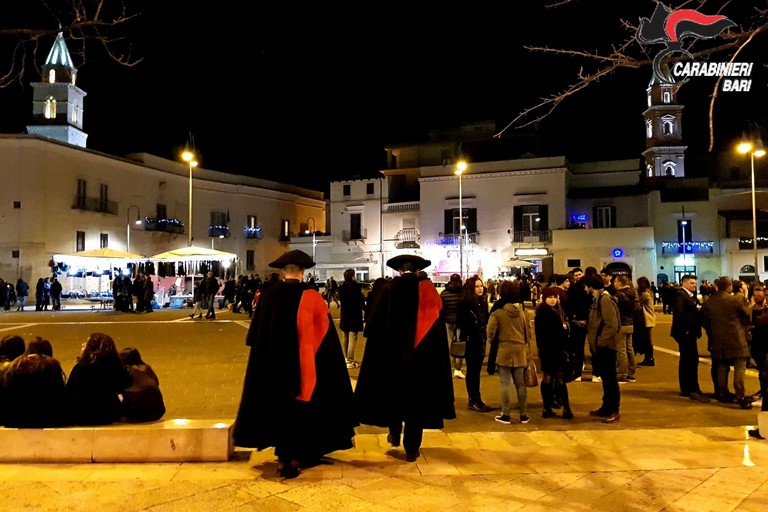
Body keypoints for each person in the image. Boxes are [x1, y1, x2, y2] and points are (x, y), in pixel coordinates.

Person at [233, 250, 357, 479]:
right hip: (304, 364)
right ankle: (297, 454)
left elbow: (255, 336)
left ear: (282, 272)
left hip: (274, 367)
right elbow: (326, 338)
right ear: (302, 272)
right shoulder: (312, 297)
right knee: (302, 410)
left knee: (279, 409)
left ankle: (283, 457)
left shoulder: (269, 295)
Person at [354, 254, 455, 462]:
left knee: (394, 397)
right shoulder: (428, 292)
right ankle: (412, 449)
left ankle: (394, 432)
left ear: (399, 270)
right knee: (416, 404)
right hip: (421, 360)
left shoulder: (388, 290)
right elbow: (437, 329)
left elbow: (372, 327)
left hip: (391, 357)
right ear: (417, 271)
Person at [487, 280, 533, 424]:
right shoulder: (523, 313)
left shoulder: (498, 313)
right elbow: (528, 334)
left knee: (505, 383)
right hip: (520, 351)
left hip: (504, 350)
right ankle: (523, 414)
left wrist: (493, 341)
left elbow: (490, 332)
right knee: (520, 384)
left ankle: (506, 414)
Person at [702, 276, 752, 409]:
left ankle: (723, 392)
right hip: (736, 338)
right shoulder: (735, 299)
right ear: (729, 286)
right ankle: (740, 395)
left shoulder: (708, 302)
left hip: (718, 339)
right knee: (739, 367)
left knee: (722, 367)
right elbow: (747, 315)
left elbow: (705, 322)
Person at [65, 332, 133, 426]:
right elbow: (127, 383)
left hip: (83, 414)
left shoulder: (81, 368)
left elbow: (69, 392)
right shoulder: (115, 367)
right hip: (109, 414)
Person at [3, 337, 68, 428]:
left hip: (17, 419)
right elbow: (59, 394)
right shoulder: (51, 364)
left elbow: (7, 393)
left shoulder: (15, 365)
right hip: (48, 419)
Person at [585, 275, 621, 423]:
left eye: (585, 286)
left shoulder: (605, 299)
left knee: (610, 379)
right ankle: (606, 407)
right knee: (606, 379)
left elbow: (611, 324)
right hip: (601, 346)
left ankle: (613, 409)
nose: (585, 289)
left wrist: (601, 341)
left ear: (590, 286)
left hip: (606, 346)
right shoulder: (599, 299)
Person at [534, 286, 574, 420]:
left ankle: (547, 407)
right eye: (549, 297)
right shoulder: (549, 313)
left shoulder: (542, 312)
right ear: (544, 299)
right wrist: (564, 328)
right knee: (559, 378)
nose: (553, 300)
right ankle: (566, 408)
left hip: (546, 350)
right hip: (555, 350)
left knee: (549, 377)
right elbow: (556, 334)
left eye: (554, 297)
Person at [670, 275, 710, 403]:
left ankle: (687, 387)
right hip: (686, 333)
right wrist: (688, 328)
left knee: (687, 360)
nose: (694, 285)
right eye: (692, 283)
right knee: (690, 361)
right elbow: (680, 314)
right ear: (685, 283)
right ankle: (692, 388)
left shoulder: (688, 296)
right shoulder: (681, 295)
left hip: (688, 332)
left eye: (695, 283)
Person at [457, 275, 492, 413]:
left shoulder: (482, 302)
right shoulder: (466, 303)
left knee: (476, 371)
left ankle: (477, 398)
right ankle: (473, 399)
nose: (480, 289)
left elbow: (486, 319)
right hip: (471, 341)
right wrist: (472, 327)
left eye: (481, 286)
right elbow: (461, 322)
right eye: (477, 286)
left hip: (481, 340)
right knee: (472, 371)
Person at [118, 347, 166, 422]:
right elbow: (156, 383)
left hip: (137, 414)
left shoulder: (126, 371)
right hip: (158, 412)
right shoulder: (148, 369)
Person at [337, 268, 365, 368]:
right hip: (354, 316)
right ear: (353, 276)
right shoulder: (356, 288)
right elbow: (361, 302)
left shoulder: (341, 288)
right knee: (352, 338)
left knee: (345, 337)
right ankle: (350, 360)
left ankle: (346, 358)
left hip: (344, 315)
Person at [440, 273, 465, 379]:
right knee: (460, 344)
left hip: (448, 321)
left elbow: (441, 309)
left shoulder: (444, 293)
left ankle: (449, 365)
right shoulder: (463, 293)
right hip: (461, 321)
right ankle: (458, 368)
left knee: (449, 343)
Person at [613, 275, 637, 383]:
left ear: (620, 283)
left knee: (621, 349)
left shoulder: (619, 295)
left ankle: (622, 373)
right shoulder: (632, 293)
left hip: (621, 324)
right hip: (630, 323)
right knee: (629, 348)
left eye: (615, 281)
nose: (614, 283)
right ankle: (631, 372)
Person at [636, 276, 656, 366]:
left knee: (648, 341)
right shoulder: (649, 292)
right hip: (649, 318)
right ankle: (648, 358)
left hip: (646, 318)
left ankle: (649, 358)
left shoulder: (645, 294)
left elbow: (638, 303)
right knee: (647, 340)